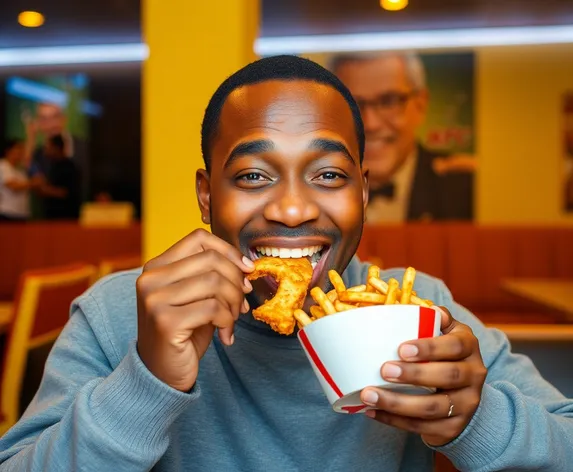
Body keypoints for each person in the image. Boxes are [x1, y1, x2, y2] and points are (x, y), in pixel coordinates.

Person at [0, 55, 571, 472]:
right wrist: (145, 381)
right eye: (252, 176)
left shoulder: (420, 310)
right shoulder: (121, 312)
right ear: (206, 195)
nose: (294, 208)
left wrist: (477, 420)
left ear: (364, 194)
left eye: (328, 175)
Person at [331, 52, 475, 222]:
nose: (370, 124)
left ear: (420, 105)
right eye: (351, 103)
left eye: (388, 101)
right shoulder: (307, 188)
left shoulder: (466, 188)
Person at [24, 102, 89, 204]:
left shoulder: (84, 145)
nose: (49, 124)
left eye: (54, 117)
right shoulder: (39, 153)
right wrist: (31, 139)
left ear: (63, 119)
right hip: (51, 212)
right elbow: (30, 172)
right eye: (43, 119)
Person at [34, 135, 80, 220]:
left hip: (65, 218)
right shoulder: (51, 165)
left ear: (56, 148)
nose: (45, 150)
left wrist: (44, 189)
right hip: (50, 218)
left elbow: (67, 192)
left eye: (47, 147)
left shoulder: (69, 167)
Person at [0, 140, 33, 221]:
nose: (22, 152)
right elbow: (13, 186)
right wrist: (33, 183)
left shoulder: (20, 170)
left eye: (23, 149)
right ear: (8, 150)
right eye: (18, 148)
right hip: (7, 212)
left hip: (22, 213)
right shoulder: (3, 166)